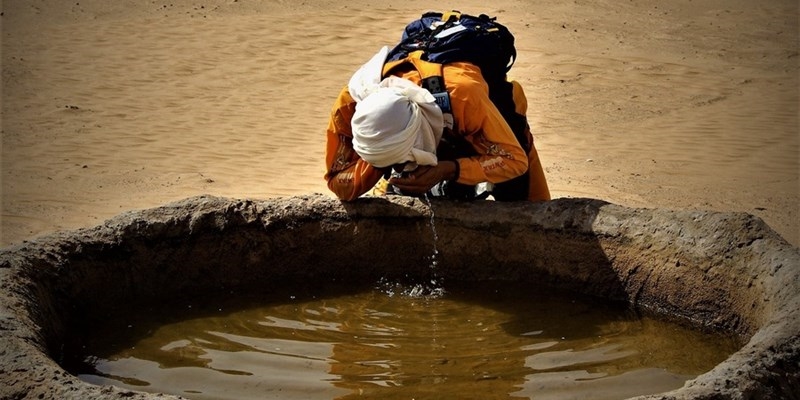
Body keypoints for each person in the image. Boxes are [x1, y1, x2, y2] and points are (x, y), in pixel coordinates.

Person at [324, 37, 550, 202]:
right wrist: (379, 161)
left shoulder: (463, 97)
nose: (401, 168)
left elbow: (514, 160)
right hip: (436, 129)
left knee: (525, 206)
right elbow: (338, 183)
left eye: (401, 159)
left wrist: (447, 170)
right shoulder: (349, 105)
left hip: (490, 122)